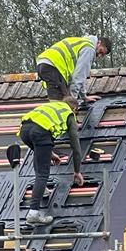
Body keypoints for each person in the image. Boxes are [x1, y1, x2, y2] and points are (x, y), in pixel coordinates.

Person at [18, 96, 83, 227]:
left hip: (24, 131)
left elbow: (37, 130)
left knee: (39, 158)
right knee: (43, 174)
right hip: (40, 134)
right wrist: (77, 171)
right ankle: (33, 214)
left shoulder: (52, 107)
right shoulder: (69, 114)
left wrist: (51, 154)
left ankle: (42, 190)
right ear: (75, 108)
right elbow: (76, 147)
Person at [36, 35, 112, 106]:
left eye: (102, 55)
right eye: (101, 51)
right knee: (61, 105)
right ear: (99, 43)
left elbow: (80, 76)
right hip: (54, 65)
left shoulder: (82, 42)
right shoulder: (89, 49)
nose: (99, 55)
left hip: (43, 64)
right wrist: (72, 101)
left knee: (57, 100)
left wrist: (83, 96)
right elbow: (79, 76)